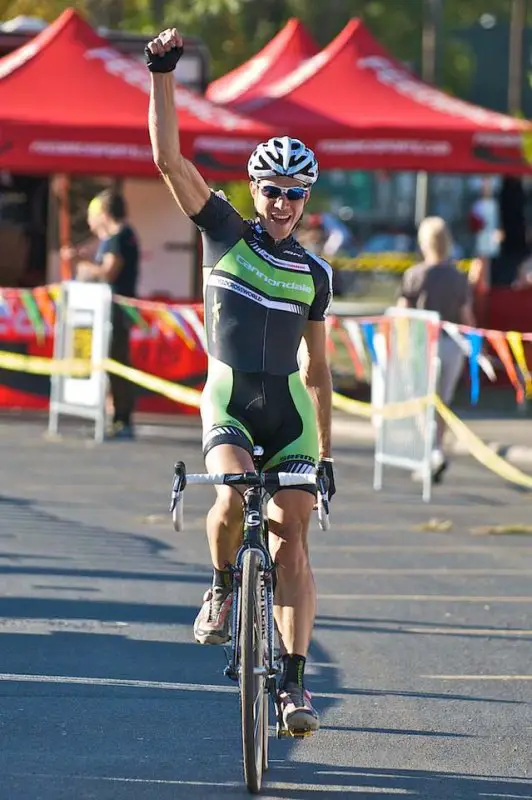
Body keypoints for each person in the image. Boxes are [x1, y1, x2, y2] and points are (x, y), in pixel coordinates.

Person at [145, 27, 335, 735]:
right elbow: (168, 158)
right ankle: (223, 585)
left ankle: (291, 685)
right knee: (230, 493)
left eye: (295, 193)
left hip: (288, 411)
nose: (282, 202)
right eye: (272, 190)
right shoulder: (224, 229)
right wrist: (162, 73)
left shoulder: (314, 275)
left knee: (293, 536)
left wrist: (328, 454)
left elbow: (317, 371)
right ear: (254, 190)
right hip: (229, 399)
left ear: (307, 197)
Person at [397, 217, 475, 482]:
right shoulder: (458, 276)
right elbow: (467, 316)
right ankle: (437, 451)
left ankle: (428, 456)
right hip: (452, 344)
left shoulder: (415, 274)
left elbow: (402, 314)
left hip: (423, 345)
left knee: (422, 403)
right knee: (442, 403)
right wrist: (475, 346)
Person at [66, 190, 140, 439]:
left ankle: (122, 419)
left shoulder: (119, 236)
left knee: (116, 363)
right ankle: (115, 417)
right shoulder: (118, 236)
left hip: (115, 312)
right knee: (111, 364)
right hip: (111, 311)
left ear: (103, 214)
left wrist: (83, 266)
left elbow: (109, 272)